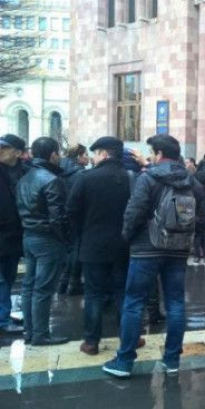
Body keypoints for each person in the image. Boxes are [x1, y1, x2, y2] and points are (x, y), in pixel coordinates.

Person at [103, 134, 202, 377]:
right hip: (178, 249)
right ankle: (172, 360)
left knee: (134, 302)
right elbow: (199, 215)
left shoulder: (147, 178)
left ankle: (124, 361)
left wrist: (127, 237)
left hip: (146, 248)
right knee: (176, 303)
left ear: (158, 154)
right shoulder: (193, 182)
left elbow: (134, 212)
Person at [66, 137, 132, 355]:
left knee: (93, 294)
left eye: (95, 154)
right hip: (123, 245)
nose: (93, 158)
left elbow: (71, 211)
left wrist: (81, 234)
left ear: (103, 154)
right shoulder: (131, 178)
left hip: (92, 245)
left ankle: (91, 341)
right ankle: (128, 337)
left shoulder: (86, 178)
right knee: (122, 292)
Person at [16, 137, 70, 345]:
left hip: (28, 235)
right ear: (53, 155)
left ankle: (30, 331)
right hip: (48, 239)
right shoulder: (51, 180)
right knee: (43, 288)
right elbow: (58, 217)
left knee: (29, 286)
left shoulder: (25, 177)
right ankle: (40, 334)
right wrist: (65, 239)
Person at [0, 134, 27, 335]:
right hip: (3, 233)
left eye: (5, 148)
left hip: (13, 237)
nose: (0, 150)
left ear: (17, 152)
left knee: (8, 278)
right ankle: (2, 319)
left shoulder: (24, 172)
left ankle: (4, 315)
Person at [58, 143, 89, 296]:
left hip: (61, 214)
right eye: (86, 155)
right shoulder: (81, 174)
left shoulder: (59, 169)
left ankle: (63, 283)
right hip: (77, 215)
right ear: (79, 156)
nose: (88, 158)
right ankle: (73, 282)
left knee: (69, 248)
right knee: (77, 249)